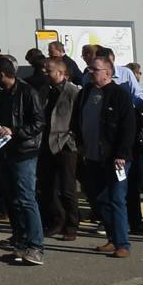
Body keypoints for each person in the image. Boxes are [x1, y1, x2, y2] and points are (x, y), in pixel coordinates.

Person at [73, 55, 136, 258]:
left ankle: (122, 243)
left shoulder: (119, 94)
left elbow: (128, 127)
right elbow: (77, 119)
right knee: (100, 199)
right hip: (93, 156)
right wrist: (80, 144)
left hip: (115, 158)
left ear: (108, 73)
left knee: (116, 199)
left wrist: (121, 154)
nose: (90, 72)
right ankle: (111, 238)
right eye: (89, 69)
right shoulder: (86, 93)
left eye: (95, 69)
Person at [0, 56, 45, 265]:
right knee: (12, 199)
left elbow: (38, 122)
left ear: (2, 74)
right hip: (5, 151)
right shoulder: (0, 94)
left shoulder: (27, 92)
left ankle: (36, 246)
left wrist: (15, 131)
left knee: (26, 198)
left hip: (24, 151)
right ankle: (20, 242)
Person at [37, 56, 81, 240]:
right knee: (47, 186)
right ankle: (57, 220)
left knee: (67, 187)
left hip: (65, 144)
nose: (45, 73)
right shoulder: (44, 90)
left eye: (49, 71)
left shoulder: (73, 92)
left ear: (61, 73)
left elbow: (78, 119)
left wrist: (72, 138)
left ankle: (72, 224)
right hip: (46, 142)